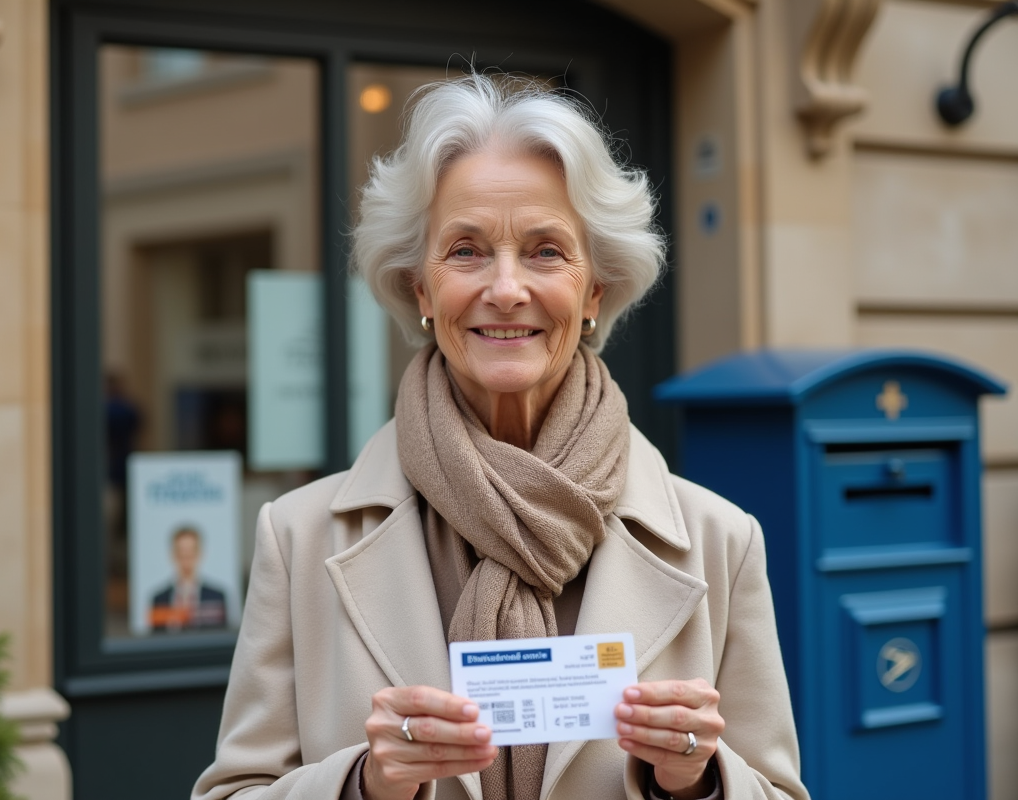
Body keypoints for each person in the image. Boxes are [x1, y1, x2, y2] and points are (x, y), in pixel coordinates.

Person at [193, 75, 808, 800]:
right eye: (465, 251)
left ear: (594, 291)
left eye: (546, 251)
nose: (507, 288)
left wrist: (698, 781)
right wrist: (363, 783)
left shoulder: (719, 541)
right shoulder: (297, 538)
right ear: (421, 289)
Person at [150, 526, 227, 630]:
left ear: (200, 554)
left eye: (190, 552)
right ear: (173, 555)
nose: (186, 557)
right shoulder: (159, 600)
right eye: (181, 552)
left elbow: (221, 638)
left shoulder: (217, 597)